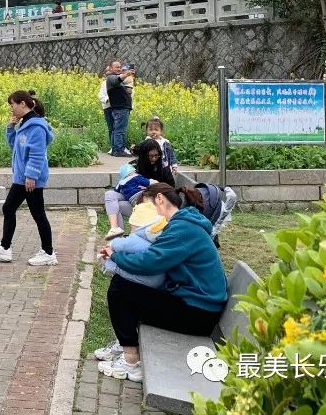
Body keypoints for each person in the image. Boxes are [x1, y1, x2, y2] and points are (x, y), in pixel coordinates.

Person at [95, 182, 228, 383]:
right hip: (196, 305)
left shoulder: (182, 229)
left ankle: (131, 362)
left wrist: (115, 256)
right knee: (127, 288)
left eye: (148, 206)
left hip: (198, 314)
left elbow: (150, 262)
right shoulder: (182, 224)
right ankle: (125, 347)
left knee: (120, 290)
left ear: (159, 199)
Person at [0, 90, 57, 266]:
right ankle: (5, 247)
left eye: (13, 105)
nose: (11, 108)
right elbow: (15, 147)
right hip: (22, 178)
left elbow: (37, 154)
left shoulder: (36, 127)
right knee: (11, 208)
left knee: (35, 213)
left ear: (23, 104)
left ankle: (48, 252)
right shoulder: (25, 124)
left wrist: (31, 176)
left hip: (29, 179)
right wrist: (11, 128)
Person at [99, 199, 168, 289]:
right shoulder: (159, 236)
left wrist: (111, 244)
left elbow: (120, 244)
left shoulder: (138, 238)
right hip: (160, 279)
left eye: (132, 226)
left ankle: (112, 267)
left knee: (119, 269)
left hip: (145, 280)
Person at [103, 163, 153, 239]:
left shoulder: (123, 182)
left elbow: (158, 185)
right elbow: (152, 182)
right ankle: (116, 231)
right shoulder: (138, 177)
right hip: (137, 201)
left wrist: (149, 188)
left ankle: (136, 236)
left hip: (149, 208)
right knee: (111, 197)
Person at [106, 61, 135, 157]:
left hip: (120, 107)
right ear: (110, 68)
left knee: (116, 129)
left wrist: (128, 90)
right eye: (116, 67)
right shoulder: (111, 77)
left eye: (120, 67)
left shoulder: (116, 78)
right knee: (120, 130)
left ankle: (115, 149)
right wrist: (127, 74)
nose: (119, 69)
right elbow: (117, 80)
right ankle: (119, 150)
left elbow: (122, 84)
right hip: (120, 108)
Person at [97, 67, 113, 153]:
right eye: (107, 71)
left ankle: (119, 146)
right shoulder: (104, 83)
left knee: (118, 128)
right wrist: (107, 99)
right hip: (107, 107)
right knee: (111, 127)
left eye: (109, 70)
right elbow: (100, 95)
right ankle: (112, 146)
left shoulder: (119, 81)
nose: (108, 72)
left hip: (117, 107)